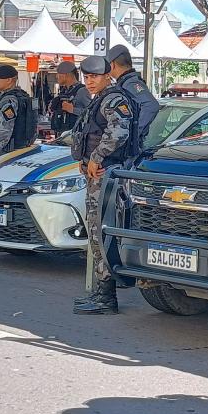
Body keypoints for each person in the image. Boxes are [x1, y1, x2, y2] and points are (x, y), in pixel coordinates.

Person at [71, 55, 140, 316]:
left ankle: (106, 296)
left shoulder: (113, 99)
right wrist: (85, 159)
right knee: (96, 232)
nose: (89, 81)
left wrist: (97, 157)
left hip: (107, 175)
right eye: (86, 77)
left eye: (94, 77)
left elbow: (118, 132)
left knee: (100, 232)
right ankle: (101, 292)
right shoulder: (99, 99)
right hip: (99, 173)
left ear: (107, 75)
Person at [106, 44, 159, 141]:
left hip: (129, 150)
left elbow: (151, 105)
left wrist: (132, 134)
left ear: (112, 64)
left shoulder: (130, 83)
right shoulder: (124, 83)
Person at [0, 64, 35, 158]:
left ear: (9, 80)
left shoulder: (8, 100)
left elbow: (5, 129)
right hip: (21, 148)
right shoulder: (23, 96)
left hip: (6, 151)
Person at [48, 60, 92, 135]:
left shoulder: (82, 91)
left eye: (58, 74)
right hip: (62, 133)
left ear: (66, 75)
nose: (56, 77)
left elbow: (91, 113)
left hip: (75, 136)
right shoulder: (64, 91)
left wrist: (72, 110)